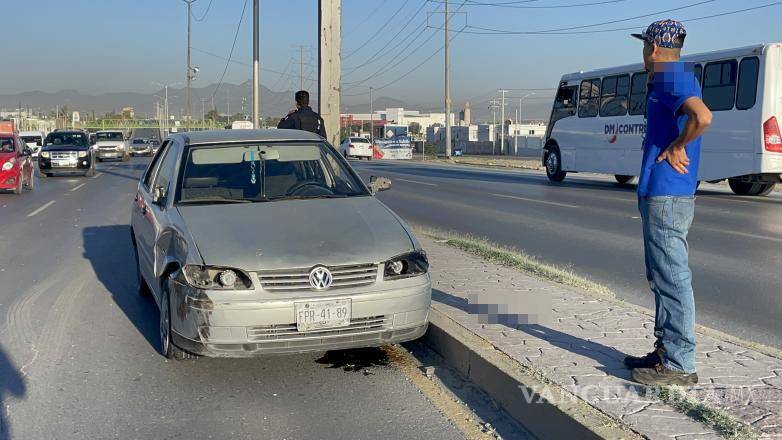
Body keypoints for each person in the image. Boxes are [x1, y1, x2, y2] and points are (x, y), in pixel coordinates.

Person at [624, 19, 712, 386]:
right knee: (661, 277)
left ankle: (679, 363)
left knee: (673, 277)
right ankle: (665, 351)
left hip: (668, 195)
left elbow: (702, 116)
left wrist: (678, 145)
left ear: (654, 48)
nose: (643, 52)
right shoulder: (667, 78)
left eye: (644, 45)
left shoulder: (670, 76)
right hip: (660, 193)